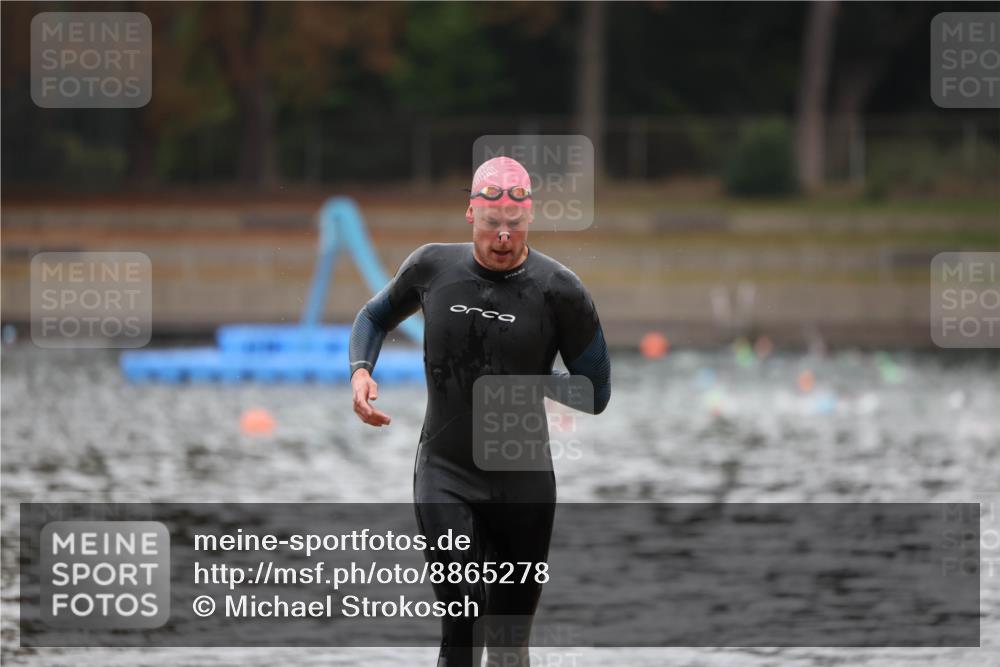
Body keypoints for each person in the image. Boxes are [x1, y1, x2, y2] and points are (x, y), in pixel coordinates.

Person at [348, 155, 611, 666]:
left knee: (509, 646)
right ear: (471, 214)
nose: (504, 237)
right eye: (492, 224)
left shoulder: (561, 292)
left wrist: (531, 378)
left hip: (525, 484)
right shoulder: (431, 267)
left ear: (530, 217)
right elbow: (373, 316)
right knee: (463, 622)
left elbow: (595, 394)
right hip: (446, 472)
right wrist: (360, 370)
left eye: (514, 225)